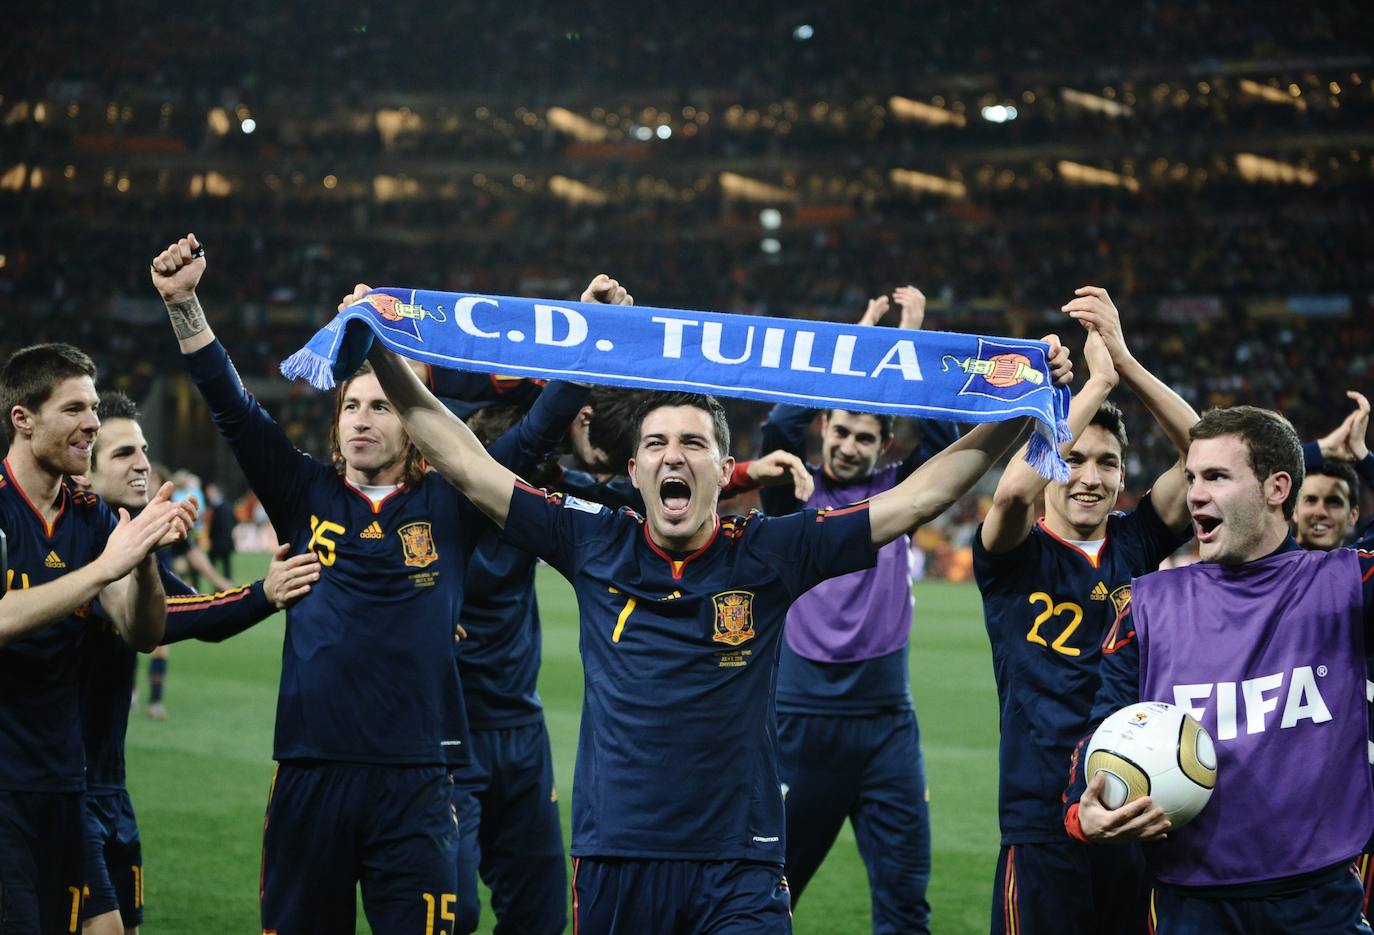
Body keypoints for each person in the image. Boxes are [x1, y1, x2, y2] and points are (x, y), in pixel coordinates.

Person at [359, 296, 1072, 933]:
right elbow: (463, 461)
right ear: (635, 471)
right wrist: (382, 353)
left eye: (694, 442)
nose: (675, 455)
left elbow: (917, 498)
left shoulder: (769, 550)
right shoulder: (590, 538)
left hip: (742, 865)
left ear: (724, 466)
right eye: (657, 444)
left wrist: (1024, 407)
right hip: (616, 859)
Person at [152, 233, 618, 935]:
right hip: (310, 772)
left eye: (382, 405)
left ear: (419, 429)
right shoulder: (303, 490)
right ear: (335, 427)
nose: (364, 418)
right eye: (351, 406)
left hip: (419, 781)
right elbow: (233, 409)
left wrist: (589, 337)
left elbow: (535, 436)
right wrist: (186, 305)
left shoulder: (452, 503)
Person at [1064, 406, 1374, 934]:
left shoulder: (1348, 585)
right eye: (1190, 478)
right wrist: (1081, 814)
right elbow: (1103, 727)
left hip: (1319, 902)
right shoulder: (1145, 605)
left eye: (1216, 477)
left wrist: (1365, 461)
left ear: (1276, 489)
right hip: (1189, 906)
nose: (1195, 495)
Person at [974, 287, 1197, 935]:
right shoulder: (1013, 553)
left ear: (1125, 478)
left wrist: (1123, 362)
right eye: (1072, 458)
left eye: (1107, 463)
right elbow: (1013, 490)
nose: (1089, 476)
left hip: (1135, 802)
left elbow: (1208, 452)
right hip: (1040, 817)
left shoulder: (1137, 541)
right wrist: (1095, 383)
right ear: (1051, 463)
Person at [75, 390, 320, 935]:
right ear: (85, 471)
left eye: (142, 449)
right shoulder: (81, 544)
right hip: (64, 784)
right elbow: (165, 624)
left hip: (111, 785)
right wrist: (264, 593)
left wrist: (266, 592)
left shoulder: (130, 539)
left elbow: (193, 613)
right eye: (122, 454)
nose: (141, 462)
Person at [757, 285, 957, 934]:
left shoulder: (898, 495)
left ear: (883, 443)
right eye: (840, 429)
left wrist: (913, 336)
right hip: (798, 725)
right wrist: (854, 339)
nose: (847, 445)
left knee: (906, 903)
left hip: (885, 728)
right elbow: (778, 425)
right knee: (766, 896)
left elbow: (945, 444)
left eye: (863, 436)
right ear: (825, 426)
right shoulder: (792, 491)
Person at [0, 343, 193, 935]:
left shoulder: (89, 516)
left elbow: (141, 631)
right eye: (74, 409)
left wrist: (144, 558)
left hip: (65, 782)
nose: (91, 423)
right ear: (23, 418)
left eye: (92, 408)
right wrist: (105, 567)